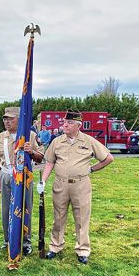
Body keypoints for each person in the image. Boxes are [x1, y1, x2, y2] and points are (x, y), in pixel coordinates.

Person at [37, 111, 114, 264]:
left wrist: (91, 169)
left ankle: (82, 250)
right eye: (64, 122)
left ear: (78, 125)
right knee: (58, 217)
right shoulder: (57, 141)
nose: (64, 125)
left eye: (69, 123)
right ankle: (55, 246)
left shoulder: (88, 141)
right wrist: (43, 181)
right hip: (61, 184)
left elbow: (108, 158)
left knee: (81, 218)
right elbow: (50, 163)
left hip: (81, 184)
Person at [0, 106, 44, 255]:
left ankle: (26, 241)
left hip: (24, 176)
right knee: (6, 209)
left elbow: (41, 157)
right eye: (5, 119)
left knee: (25, 207)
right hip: (7, 175)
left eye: (10, 119)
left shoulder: (31, 135)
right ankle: (8, 240)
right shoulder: (0, 137)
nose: (7, 122)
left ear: (19, 120)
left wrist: (31, 151)